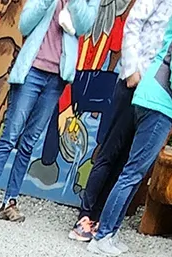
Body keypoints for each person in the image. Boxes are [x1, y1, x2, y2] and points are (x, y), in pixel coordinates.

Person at [0, 0, 98, 222]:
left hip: (56, 79)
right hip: (31, 72)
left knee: (29, 142)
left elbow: (84, 26)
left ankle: (10, 202)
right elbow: (25, 25)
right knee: (9, 137)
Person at [68, 0, 172, 240]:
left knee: (130, 159)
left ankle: (105, 221)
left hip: (155, 88)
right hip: (134, 81)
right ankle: (86, 216)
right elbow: (132, 23)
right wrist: (132, 71)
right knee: (110, 151)